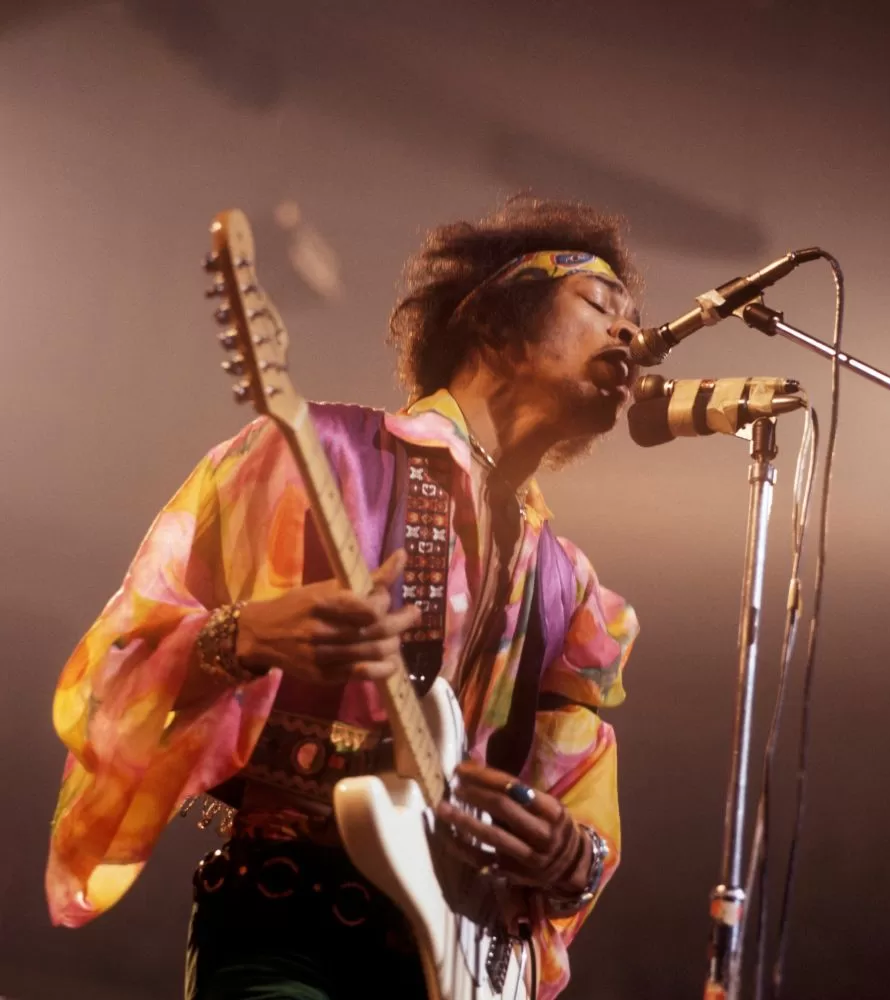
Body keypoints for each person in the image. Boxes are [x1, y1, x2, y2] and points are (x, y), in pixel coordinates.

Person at [46, 196, 642, 999]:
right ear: (495, 323)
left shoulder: (569, 588)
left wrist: (574, 859)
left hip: (451, 962)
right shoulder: (320, 456)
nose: (631, 335)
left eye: (634, 319)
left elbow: (576, 801)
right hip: (288, 930)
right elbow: (114, 674)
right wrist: (241, 636)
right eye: (601, 305)